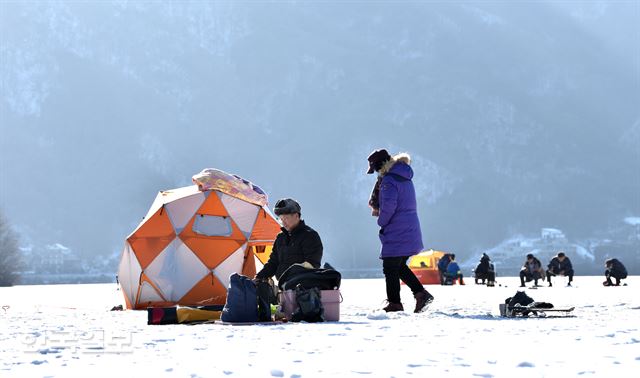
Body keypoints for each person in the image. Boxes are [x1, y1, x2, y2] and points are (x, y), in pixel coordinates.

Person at [367, 149, 434, 313]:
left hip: (397, 228)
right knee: (398, 266)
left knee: (390, 266)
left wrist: (381, 222)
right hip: (409, 227)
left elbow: (389, 207)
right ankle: (420, 294)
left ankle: (395, 303)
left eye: (375, 169)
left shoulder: (389, 181)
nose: (376, 173)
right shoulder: (403, 176)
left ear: (380, 166)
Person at [254, 198, 323, 283]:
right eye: (281, 219)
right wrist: (259, 277)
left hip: (303, 289)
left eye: (286, 218)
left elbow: (312, 264)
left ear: (296, 216)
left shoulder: (310, 236)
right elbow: (273, 263)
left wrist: (292, 277)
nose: (283, 222)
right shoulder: (280, 238)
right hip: (284, 287)